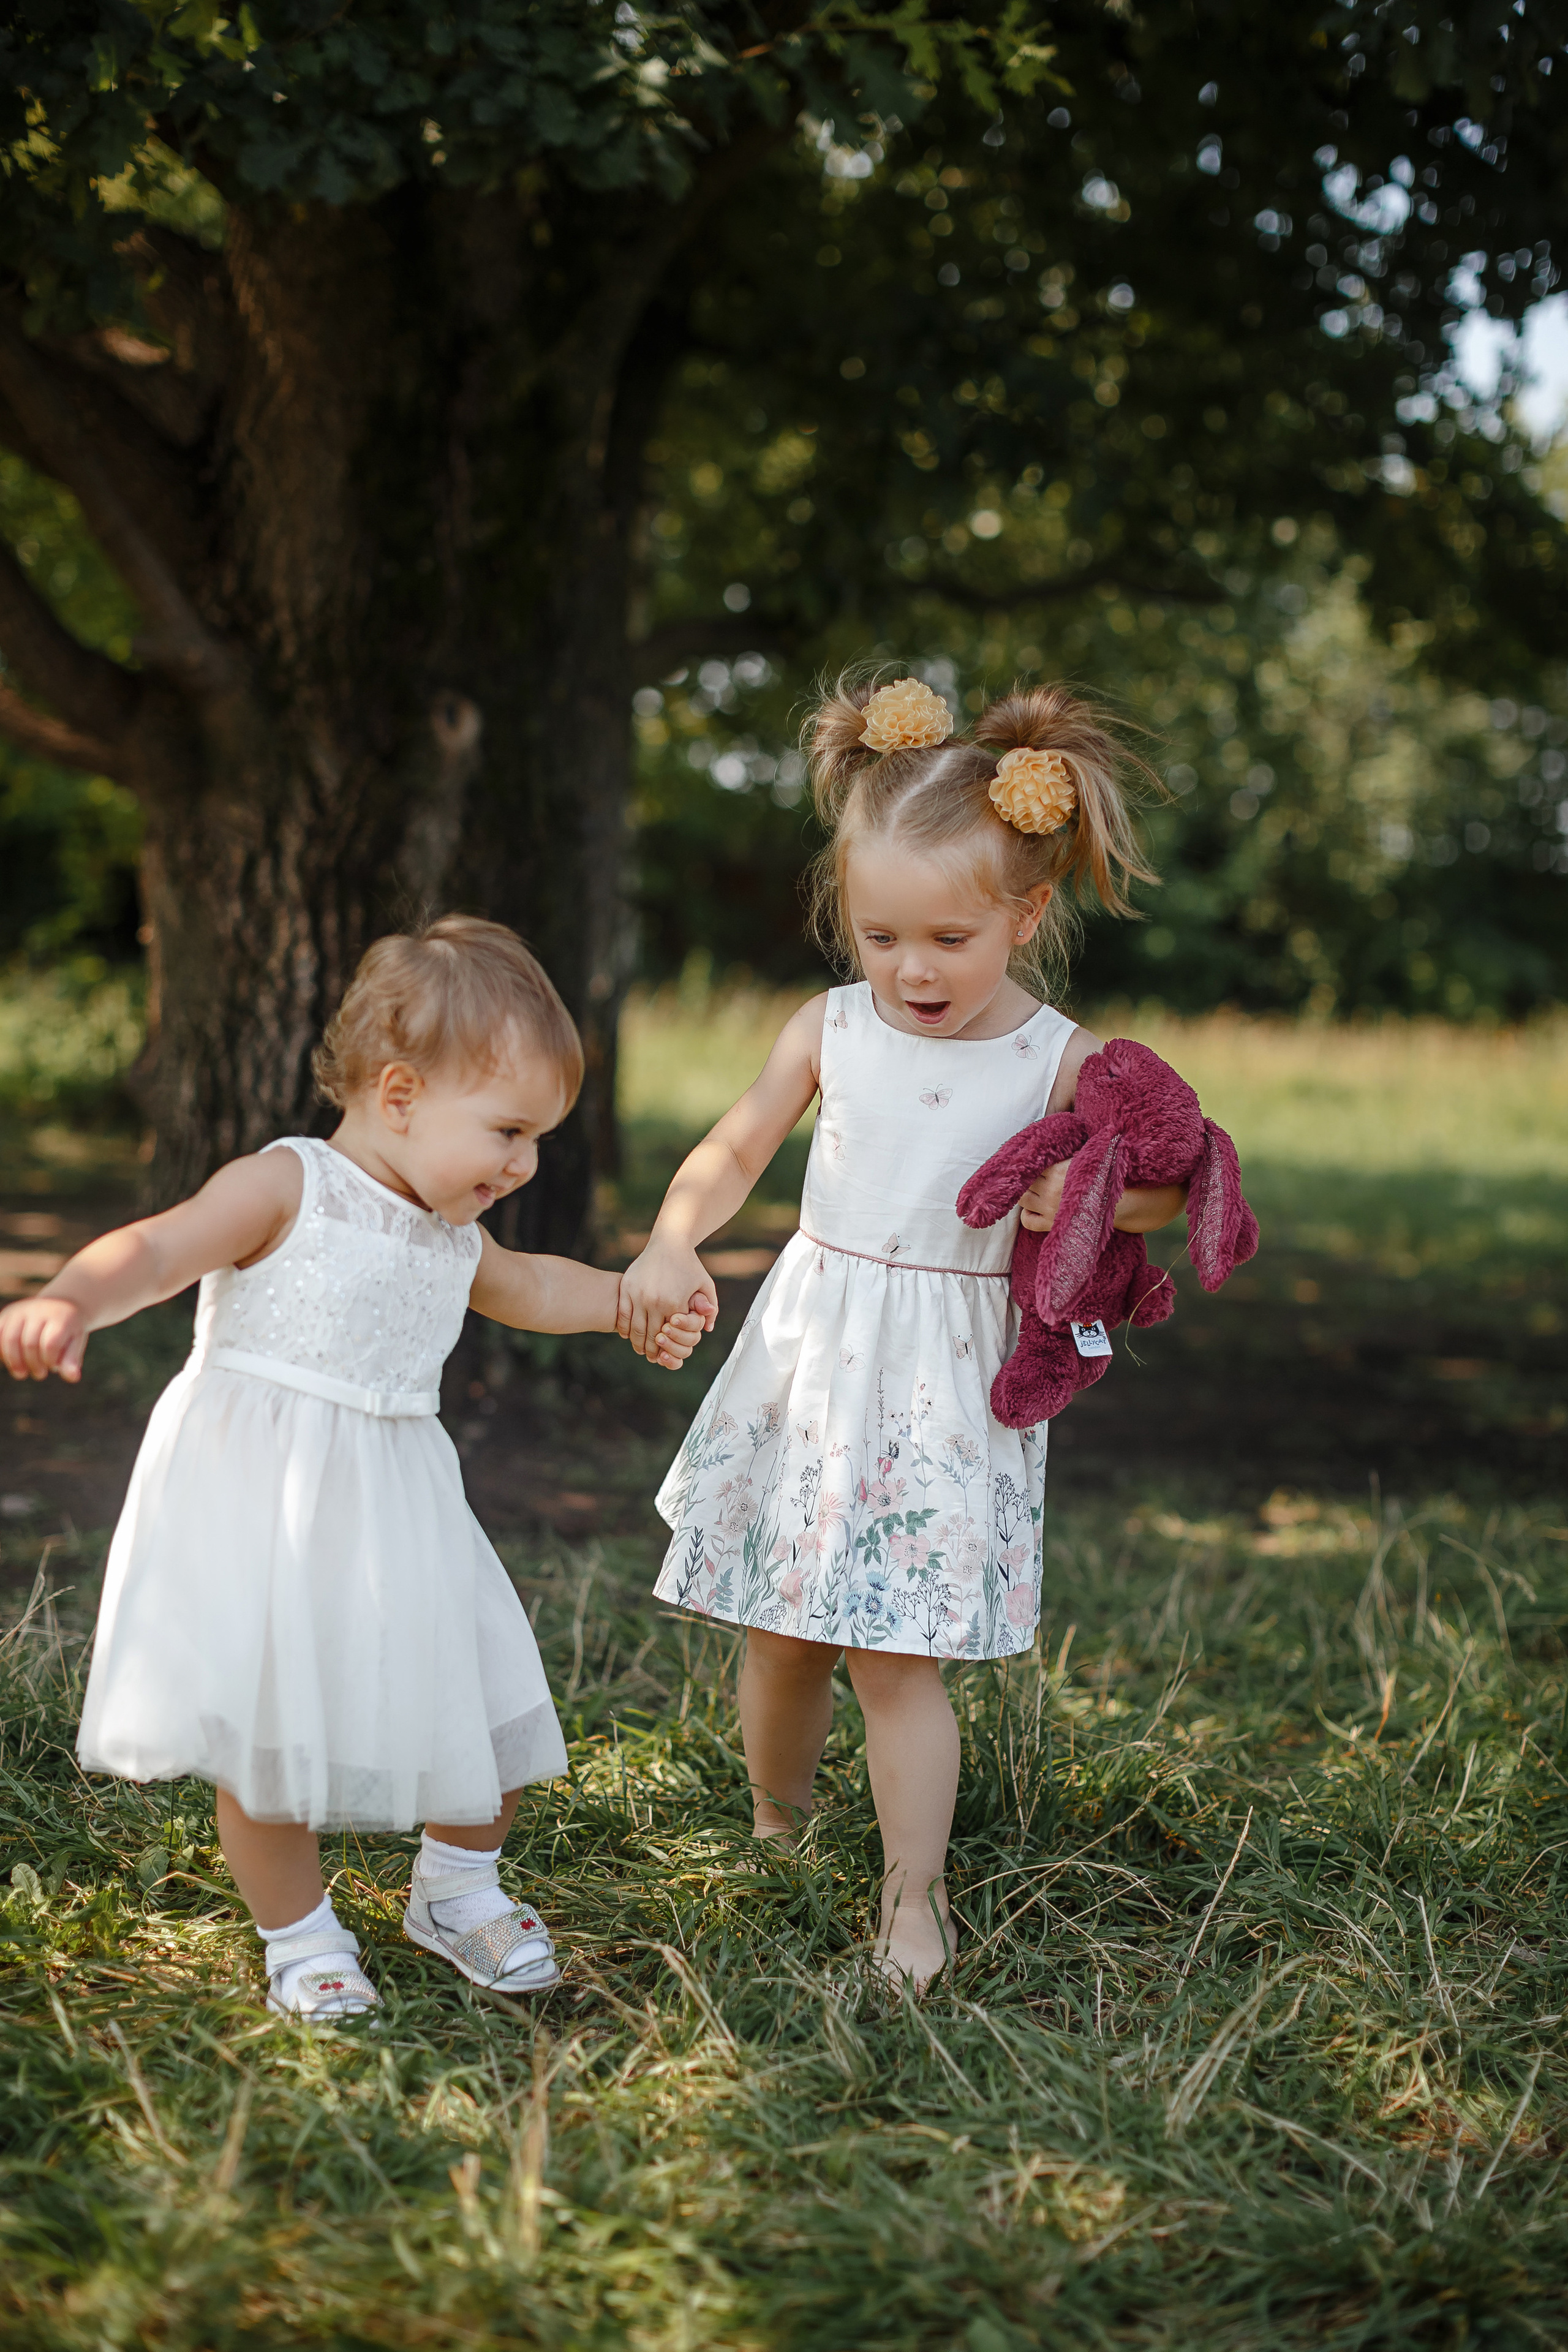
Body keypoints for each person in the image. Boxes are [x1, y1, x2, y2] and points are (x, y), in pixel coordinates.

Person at [0, 916, 704, 2019]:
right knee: (272, 1743)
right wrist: (71, 1299)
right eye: (509, 1131)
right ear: (401, 1094)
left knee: (487, 1702)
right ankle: (301, 1937)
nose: (524, 1164)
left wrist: (625, 1304)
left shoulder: (452, 1233)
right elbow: (160, 1246)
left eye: (537, 1139)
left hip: (402, 1504)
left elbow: (531, 1286)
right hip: (269, 1507)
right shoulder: (289, 1185)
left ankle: (458, 1889)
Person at [617, 675, 1190, 1989]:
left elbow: (1162, 1185)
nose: (911, 969)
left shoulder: (1055, 1058)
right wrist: (670, 1238)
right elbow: (736, 1147)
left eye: (947, 937)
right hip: (815, 1360)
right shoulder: (827, 1028)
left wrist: (1087, 1193)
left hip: (941, 1381)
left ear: (1023, 916)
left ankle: (911, 1902)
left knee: (893, 1654)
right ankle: (776, 1833)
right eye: (879, 936)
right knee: (781, 1631)